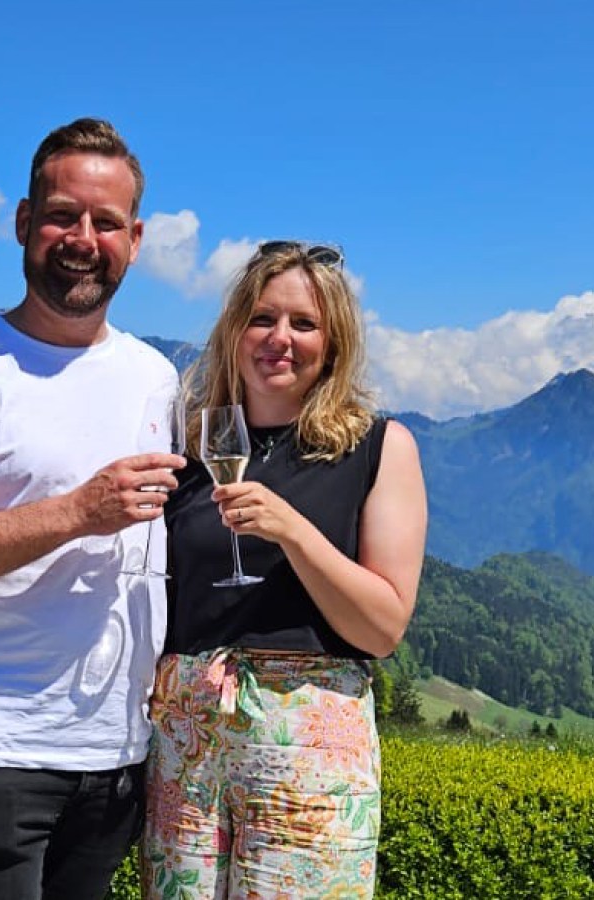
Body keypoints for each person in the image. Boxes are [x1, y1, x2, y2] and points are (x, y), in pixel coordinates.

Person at [0, 117, 187, 900]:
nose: (82, 238)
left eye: (106, 222)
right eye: (62, 215)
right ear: (24, 222)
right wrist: (79, 510)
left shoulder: (158, 377)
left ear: (136, 238)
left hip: (117, 755)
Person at [141, 241, 427, 899]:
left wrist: (293, 531)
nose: (280, 338)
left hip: (311, 750)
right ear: (235, 330)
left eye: (304, 323)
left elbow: (383, 627)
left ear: (333, 344)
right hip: (188, 740)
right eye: (263, 318)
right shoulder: (185, 450)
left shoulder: (379, 448)